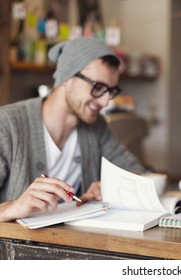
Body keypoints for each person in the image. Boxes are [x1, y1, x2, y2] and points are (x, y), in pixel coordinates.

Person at [0, 37, 146, 222]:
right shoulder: (7, 125)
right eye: (98, 87)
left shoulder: (97, 126)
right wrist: (12, 207)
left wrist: (111, 186)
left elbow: (135, 171)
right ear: (67, 77)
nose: (105, 101)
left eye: (110, 91)